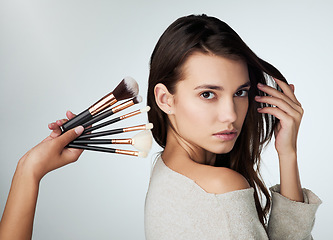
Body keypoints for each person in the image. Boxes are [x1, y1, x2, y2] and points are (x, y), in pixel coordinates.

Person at [144, 14, 321, 239]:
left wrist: (287, 153)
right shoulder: (221, 188)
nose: (231, 115)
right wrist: (289, 154)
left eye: (240, 92)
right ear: (165, 99)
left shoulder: (166, 170)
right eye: (207, 94)